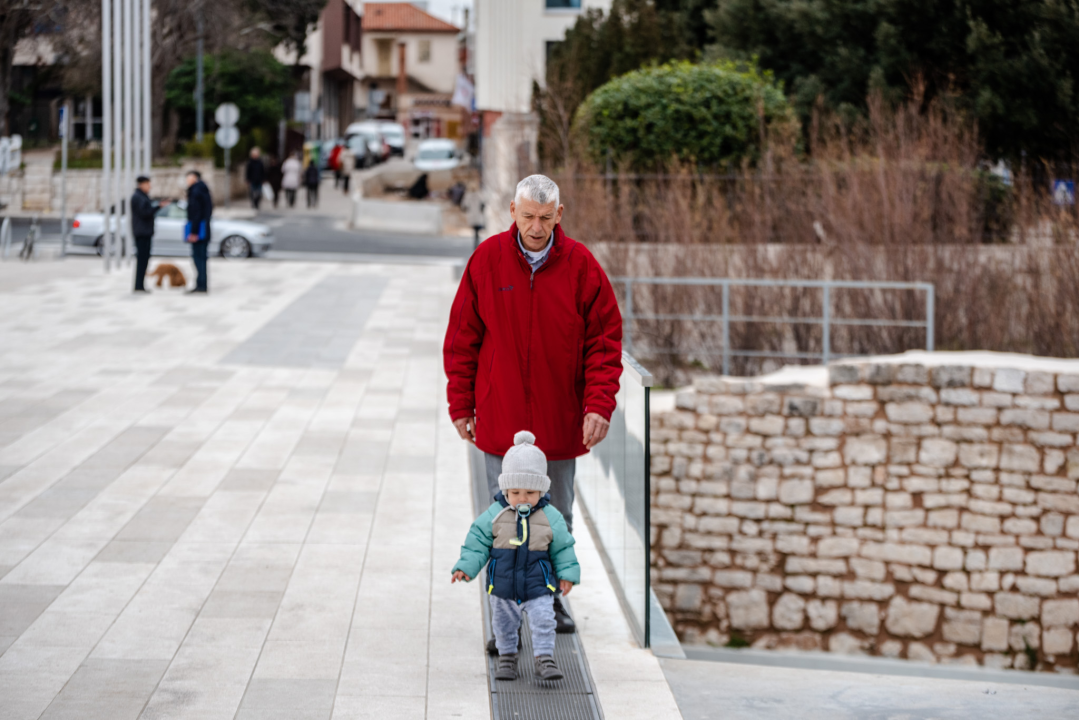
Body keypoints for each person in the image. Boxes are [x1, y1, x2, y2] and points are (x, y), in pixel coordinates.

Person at [443, 174, 622, 634]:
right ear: (512, 212)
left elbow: (604, 343)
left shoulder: (582, 266)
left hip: (558, 423)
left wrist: (599, 405)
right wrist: (461, 404)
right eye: (528, 217)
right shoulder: (487, 260)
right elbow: (462, 339)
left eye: (545, 218)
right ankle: (504, 613)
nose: (536, 228)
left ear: (559, 214)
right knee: (502, 521)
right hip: (500, 418)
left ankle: (549, 602)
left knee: (555, 520)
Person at [451, 431, 579, 681]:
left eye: (530, 492)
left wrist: (567, 574)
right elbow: (477, 542)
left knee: (544, 619)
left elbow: (563, 547)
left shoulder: (550, 516)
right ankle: (507, 657)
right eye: (515, 492)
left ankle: (544, 657)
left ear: (541, 490)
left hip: (538, 583)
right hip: (503, 584)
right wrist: (466, 566)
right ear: (505, 489)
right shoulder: (495, 515)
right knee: (503, 623)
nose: (522, 498)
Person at [130, 175, 164, 293]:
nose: (150, 186)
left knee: (144, 260)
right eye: (148, 184)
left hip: (145, 232)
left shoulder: (142, 196)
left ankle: (140, 285)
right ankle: (139, 286)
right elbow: (145, 213)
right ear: (142, 184)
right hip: (142, 232)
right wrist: (158, 207)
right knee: (142, 260)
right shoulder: (138, 197)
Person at [184, 170, 213, 294]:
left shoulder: (196, 191)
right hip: (205, 229)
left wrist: (193, 232)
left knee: (198, 258)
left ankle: (200, 285)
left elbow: (196, 213)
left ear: (194, 178)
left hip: (198, 231)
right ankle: (202, 284)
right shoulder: (204, 190)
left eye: (188, 178)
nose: (187, 181)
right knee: (202, 258)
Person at [461, 183, 485, 251]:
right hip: (477, 214)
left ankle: (476, 243)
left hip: (472, 214)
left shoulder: (468, 195)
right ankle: (477, 242)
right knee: (477, 230)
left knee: (475, 230)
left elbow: (464, 205)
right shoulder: (479, 194)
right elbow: (483, 204)